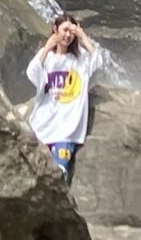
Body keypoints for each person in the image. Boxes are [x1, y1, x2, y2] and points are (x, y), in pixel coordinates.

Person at [24, 14, 105, 181]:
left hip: (67, 129)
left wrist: (83, 37)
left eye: (72, 32)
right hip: (43, 125)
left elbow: (98, 60)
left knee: (59, 174)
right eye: (65, 30)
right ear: (55, 29)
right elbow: (32, 73)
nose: (68, 35)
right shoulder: (46, 57)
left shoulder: (80, 59)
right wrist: (47, 48)